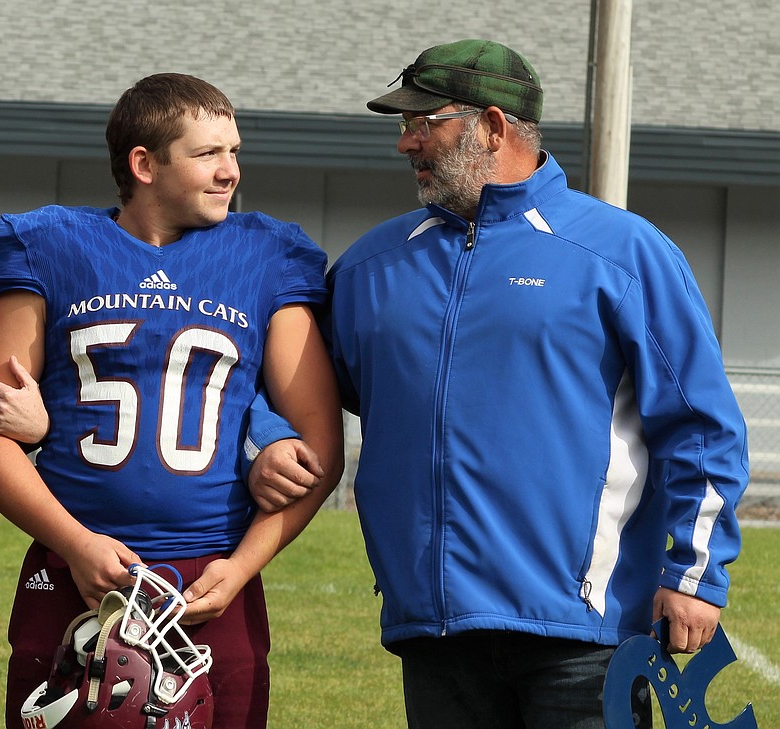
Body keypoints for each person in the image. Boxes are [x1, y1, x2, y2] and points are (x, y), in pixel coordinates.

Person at [252, 39, 750, 728]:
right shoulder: (370, 269)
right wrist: (268, 435)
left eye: (424, 123)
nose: (406, 143)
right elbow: (273, 380)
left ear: (491, 125)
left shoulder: (625, 253)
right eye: (404, 126)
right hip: (434, 632)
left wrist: (694, 576)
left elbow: (700, 427)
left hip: (585, 635)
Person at [0, 72, 343, 728]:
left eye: (234, 151)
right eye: (207, 154)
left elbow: (318, 447)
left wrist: (241, 567)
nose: (230, 171)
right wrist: (75, 543)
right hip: (74, 568)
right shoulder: (53, 246)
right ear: (143, 163)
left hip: (210, 571)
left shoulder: (265, 254)